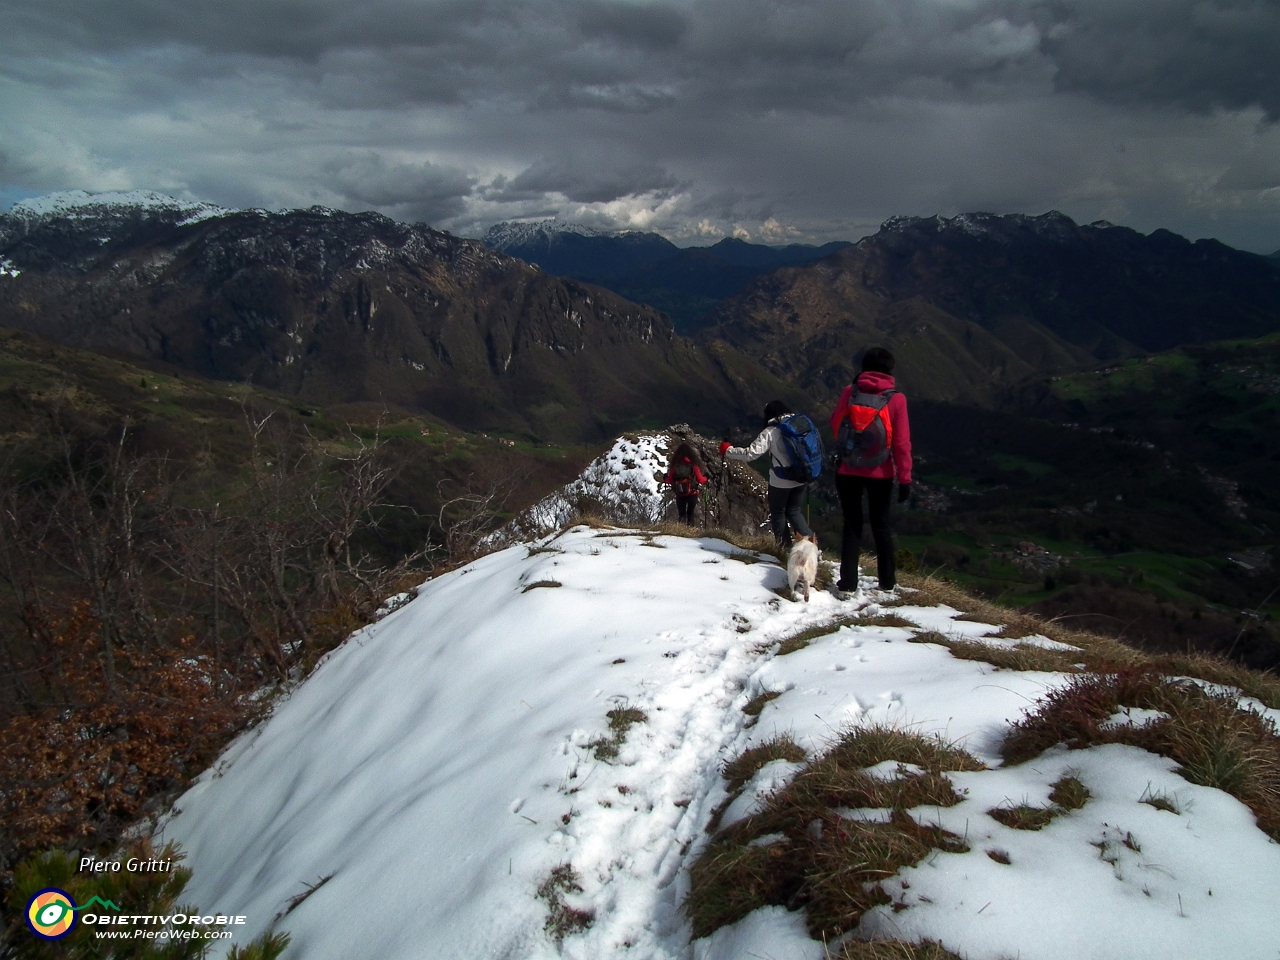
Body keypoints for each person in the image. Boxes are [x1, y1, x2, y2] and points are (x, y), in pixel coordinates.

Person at [829, 347, 912, 593]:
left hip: (847, 469)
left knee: (852, 526)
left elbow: (836, 426)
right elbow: (901, 442)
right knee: (881, 526)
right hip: (881, 473)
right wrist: (905, 478)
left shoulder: (849, 392)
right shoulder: (897, 399)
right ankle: (887, 582)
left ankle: (847, 584)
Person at [720, 400, 814, 549]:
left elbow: (750, 454)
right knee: (795, 511)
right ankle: (811, 546)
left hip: (781, 481)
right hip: (802, 477)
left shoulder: (770, 432)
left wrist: (729, 450)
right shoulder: (799, 425)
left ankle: (785, 550)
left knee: (778, 513)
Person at [665, 441, 709, 525]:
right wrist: (706, 477)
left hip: (679, 493)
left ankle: (681, 532)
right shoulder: (693, 464)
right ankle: (690, 532)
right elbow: (700, 480)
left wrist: (665, 478)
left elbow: (669, 480)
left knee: (681, 514)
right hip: (692, 493)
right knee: (690, 514)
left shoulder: (675, 465)